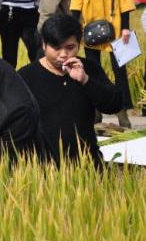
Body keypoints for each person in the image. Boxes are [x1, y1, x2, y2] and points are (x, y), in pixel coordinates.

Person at [19, 15, 121, 168]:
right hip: (44, 170)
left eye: (69, 47)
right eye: (56, 47)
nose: (63, 54)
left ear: (78, 45)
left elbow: (114, 105)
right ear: (44, 45)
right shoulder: (26, 76)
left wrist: (85, 80)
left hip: (88, 165)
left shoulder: (89, 69)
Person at [70, 0, 136, 128]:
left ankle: (122, 112)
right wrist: (75, 29)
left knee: (119, 72)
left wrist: (125, 28)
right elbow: (76, 1)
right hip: (89, 30)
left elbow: (126, 2)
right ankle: (96, 112)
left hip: (115, 30)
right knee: (93, 69)